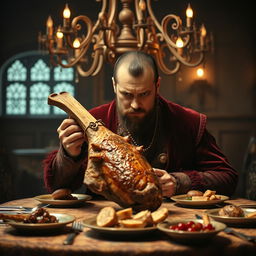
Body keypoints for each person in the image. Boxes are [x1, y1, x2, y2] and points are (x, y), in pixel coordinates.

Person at [43, 51, 238, 198]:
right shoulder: (92, 120)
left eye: (144, 94)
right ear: (114, 86)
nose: (136, 104)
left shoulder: (188, 122)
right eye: (127, 94)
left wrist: (180, 181)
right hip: (106, 224)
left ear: (157, 85)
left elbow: (228, 177)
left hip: (172, 223)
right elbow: (57, 187)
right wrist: (68, 155)